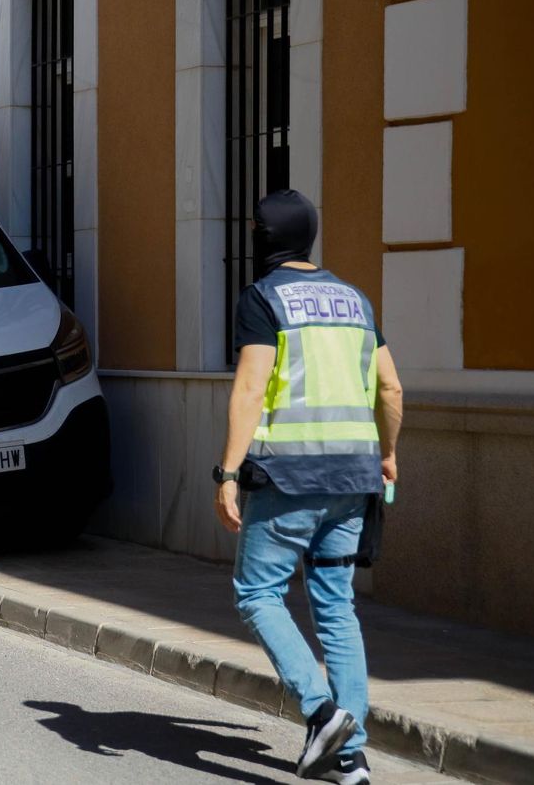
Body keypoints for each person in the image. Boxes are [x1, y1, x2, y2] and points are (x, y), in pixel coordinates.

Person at [212, 190, 404, 785]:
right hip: (354, 478)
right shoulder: (355, 299)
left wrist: (226, 473)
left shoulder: (262, 298)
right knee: (336, 607)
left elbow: (249, 387)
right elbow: (391, 387)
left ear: (264, 239)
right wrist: (388, 453)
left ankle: (323, 713)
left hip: (288, 478)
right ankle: (352, 758)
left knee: (257, 593)